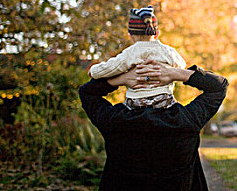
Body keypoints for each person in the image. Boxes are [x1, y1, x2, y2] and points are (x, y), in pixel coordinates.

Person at [79, 60, 228, 191]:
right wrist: (176, 73)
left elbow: (87, 93)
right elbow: (218, 86)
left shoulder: (114, 122)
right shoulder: (186, 120)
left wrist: (120, 79)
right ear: (168, 87)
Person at [89, 6, 186, 109]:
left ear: (130, 35)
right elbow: (181, 67)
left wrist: (94, 71)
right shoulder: (168, 51)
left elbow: (111, 67)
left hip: (136, 102)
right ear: (157, 33)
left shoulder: (131, 53)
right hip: (164, 100)